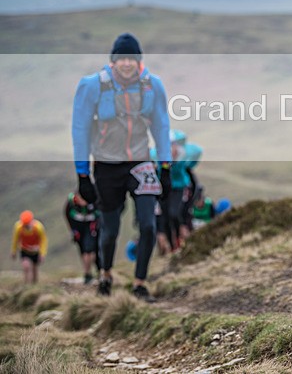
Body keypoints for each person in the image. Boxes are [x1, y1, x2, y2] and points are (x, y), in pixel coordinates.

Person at [72, 33, 172, 302]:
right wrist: (82, 174)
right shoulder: (93, 86)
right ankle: (105, 274)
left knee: (149, 225)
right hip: (106, 165)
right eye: (122, 59)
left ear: (139, 60)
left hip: (141, 162)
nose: (127, 64)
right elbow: (80, 129)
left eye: (132, 58)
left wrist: (165, 166)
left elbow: (162, 126)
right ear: (113, 61)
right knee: (110, 229)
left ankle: (139, 284)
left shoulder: (152, 86)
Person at [152, 129, 202, 250]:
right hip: (163, 188)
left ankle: (181, 232)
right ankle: (173, 245)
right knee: (166, 216)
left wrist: (188, 165)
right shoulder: (156, 154)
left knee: (174, 213)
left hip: (179, 187)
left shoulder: (184, 154)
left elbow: (197, 152)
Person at [64, 192, 100, 284]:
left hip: (91, 228)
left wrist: (96, 226)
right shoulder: (71, 204)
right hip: (79, 230)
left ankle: (95, 271)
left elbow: (99, 214)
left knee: (91, 249)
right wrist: (73, 230)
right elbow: (67, 215)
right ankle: (87, 273)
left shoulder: (94, 201)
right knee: (83, 250)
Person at [10, 211, 48, 284]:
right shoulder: (18, 227)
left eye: (27, 225)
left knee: (34, 269)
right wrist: (13, 251)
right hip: (25, 250)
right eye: (24, 225)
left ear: (31, 221)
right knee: (26, 266)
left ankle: (34, 285)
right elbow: (15, 239)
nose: (26, 226)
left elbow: (44, 240)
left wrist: (42, 254)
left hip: (35, 251)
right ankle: (26, 284)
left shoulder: (38, 227)